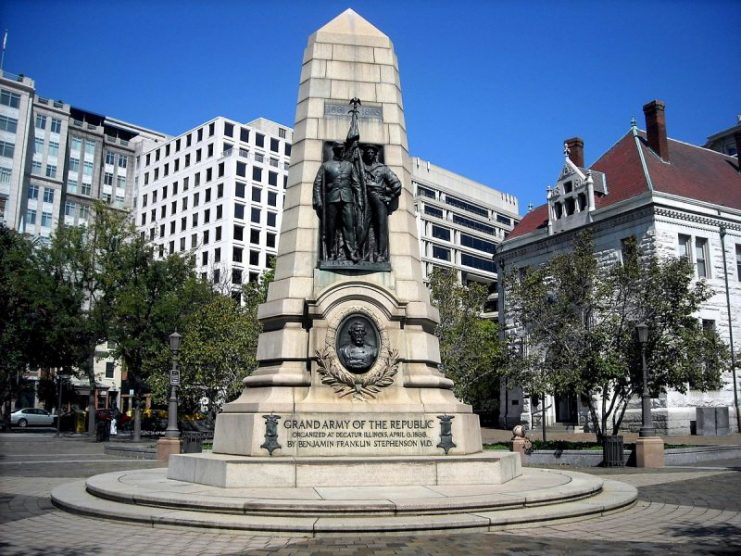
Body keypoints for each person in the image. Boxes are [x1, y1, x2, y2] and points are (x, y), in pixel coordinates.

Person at [313, 142, 363, 262]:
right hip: (331, 199)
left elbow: (356, 184)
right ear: (335, 151)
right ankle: (331, 253)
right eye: (339, 150)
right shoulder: (326, 166)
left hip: (347, 199)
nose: (342, 152)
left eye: (343, 150)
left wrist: (360, 199)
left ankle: (351, 252)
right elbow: (317, 184)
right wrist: (318, 201)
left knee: (349, 226)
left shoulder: (349, 166)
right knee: (331, 227)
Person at [360, 145, 402, 262]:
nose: (369, 154)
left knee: (381, 227)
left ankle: (381, 255)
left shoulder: (383, 169)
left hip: (379, 198)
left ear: (375, 154)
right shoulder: (360, 167)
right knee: (362, 226)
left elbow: (397, 185)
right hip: (364, 200)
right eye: (367, 152)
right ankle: (359, 253)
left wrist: (389, 197)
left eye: (371, 152)